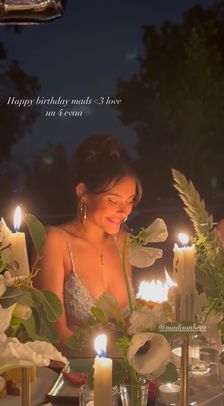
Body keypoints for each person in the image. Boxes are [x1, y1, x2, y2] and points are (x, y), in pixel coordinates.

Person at [34, 135, 142, 345]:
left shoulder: (124, 242)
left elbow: (131, 324)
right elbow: (54, 334)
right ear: (83, 193)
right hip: (74, 369)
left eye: (130, 201)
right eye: (113, 200)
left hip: (126, 368)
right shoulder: (55, 241)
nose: (124, 211)